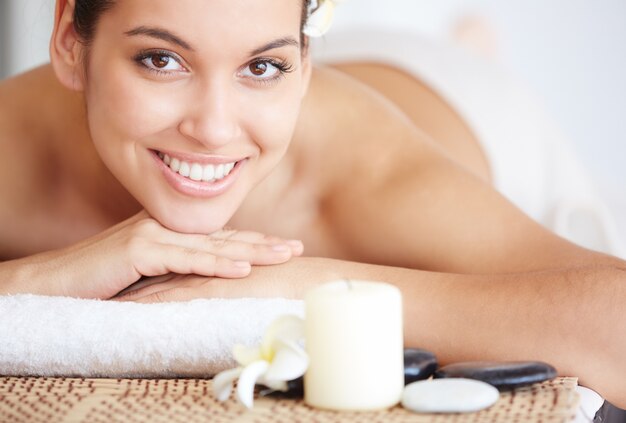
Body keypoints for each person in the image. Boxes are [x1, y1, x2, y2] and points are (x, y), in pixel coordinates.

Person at [0, 0, 624, 408]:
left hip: (467, 111)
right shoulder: (12, 144)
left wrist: (300, 289)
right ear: (67, 43)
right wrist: (35, 277)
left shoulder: (362, 180)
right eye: (161, 60)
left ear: (302, 71)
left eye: (265, 68)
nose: (214, 129)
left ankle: (467, 46)